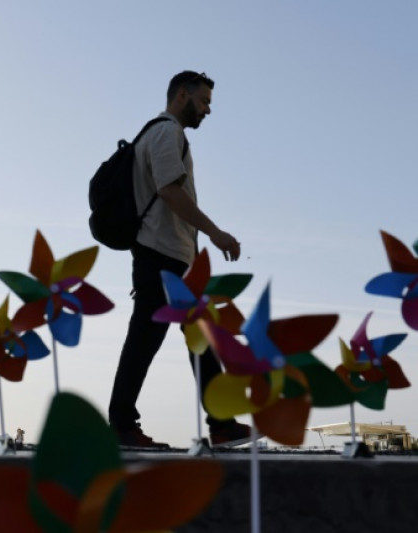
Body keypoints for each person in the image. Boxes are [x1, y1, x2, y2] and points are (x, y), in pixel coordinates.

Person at [107, 71, 251, 449]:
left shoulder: (160, 134)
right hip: (160, 255)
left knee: (195, 335)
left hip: (167, 256)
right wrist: (215, 231)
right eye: (203, 101)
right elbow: (169, 190)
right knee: (147, 339)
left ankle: (219, 423)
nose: (207, 110)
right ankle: (123, 425)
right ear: (182, 95)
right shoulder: (167, 133)